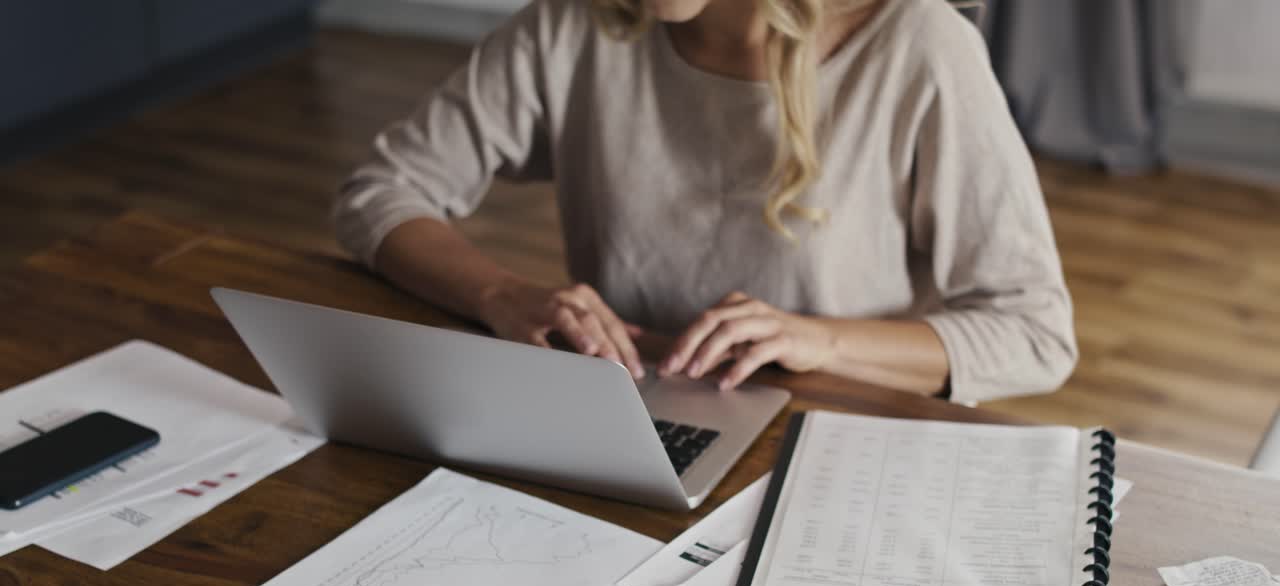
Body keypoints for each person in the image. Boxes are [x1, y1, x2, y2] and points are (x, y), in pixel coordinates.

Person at [333, 0, 1078, 404]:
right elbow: (381, 194)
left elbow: (1034, 336)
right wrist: (500, 293)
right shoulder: (572, 25)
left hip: (837, 447)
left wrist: (823, 340)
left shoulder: (920, 45)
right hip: (627, 423)